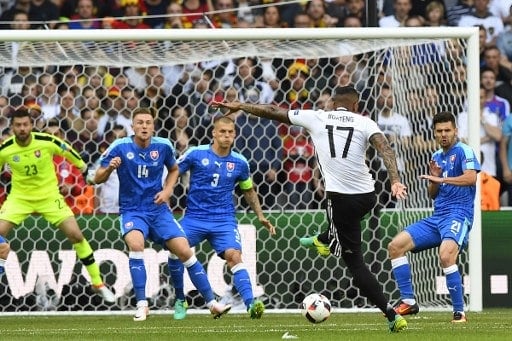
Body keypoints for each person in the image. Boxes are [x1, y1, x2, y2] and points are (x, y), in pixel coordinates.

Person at [212, 86, 408, 333]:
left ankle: (391, 315)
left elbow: (273, 111)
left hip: (339, 200)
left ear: (332, 102)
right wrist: (395, 180)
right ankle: (327, 237)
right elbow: (385, 149)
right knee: (345, 229)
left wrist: (241, 106)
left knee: (355, 264)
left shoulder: (318, 117)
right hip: (368, 197)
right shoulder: (364, 121)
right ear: (355, 105)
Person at [93, 107, 231, 321]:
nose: (144, 126)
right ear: (133, 125)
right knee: (136, 245)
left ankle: (212, 303)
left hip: (158, 211)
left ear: (153, 126)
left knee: (185, 251)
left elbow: (175, 169)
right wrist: (110, 168)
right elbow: (96, 177)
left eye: (148, 122)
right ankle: (142, 305)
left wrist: (167, 191)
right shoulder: (119, 147)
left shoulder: (164, 146)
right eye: (140, 122)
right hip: (133, 211)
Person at [0, 108, 115, 303]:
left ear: (31, 125)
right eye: (18, 125)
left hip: (49, 197)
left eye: (25, 124)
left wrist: (85, 169)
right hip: (19, 199)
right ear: (12, 127)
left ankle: (98, 283)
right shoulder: (6, 149)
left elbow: (69, 151)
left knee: (76, 235)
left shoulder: (46, 141)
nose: (22, 128)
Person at [168, 115, 276, 320]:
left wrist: (260, 216)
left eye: (230, 132)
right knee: (174, 250)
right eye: (222, 132)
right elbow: (173, 172)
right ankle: (181, 299)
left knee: (234, 256)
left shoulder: (240, 162)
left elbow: (249, 191)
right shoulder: (195, 154)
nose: (226, 136)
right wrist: (165, 194)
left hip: (223, 220)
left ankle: (251, 305)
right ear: (214, 133)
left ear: (234, 135)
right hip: (194, 217)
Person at [387, 111, 480, 323]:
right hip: (438, 216)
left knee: (446, 255)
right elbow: (432, 194)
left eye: (448, 130)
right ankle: (409, 303)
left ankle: (459, 312)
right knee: (395, 246)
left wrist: (442, 179)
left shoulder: (464, 151)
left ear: (455, 130)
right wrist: (435, 180)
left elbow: (470, 178)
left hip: (459, 214)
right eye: (439, 131)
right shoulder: (436, 157)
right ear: (434, 133)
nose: (444, 134)